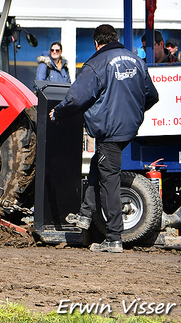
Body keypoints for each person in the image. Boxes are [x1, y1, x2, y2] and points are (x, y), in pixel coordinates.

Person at [50, 24, 158, 253]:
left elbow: (76, 99)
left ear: (97, 43)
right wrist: (132, 114)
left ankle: (114, 237)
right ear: (115, 39)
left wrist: (57, 112)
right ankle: (86, 215)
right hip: (128, 128)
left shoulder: (96, 63)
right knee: (100, 166)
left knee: (109, 180)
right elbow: (152, 95)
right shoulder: (135, 60)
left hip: (110, 131)